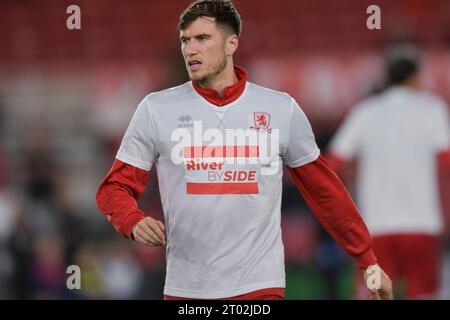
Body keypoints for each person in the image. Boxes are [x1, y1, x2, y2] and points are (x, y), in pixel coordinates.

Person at [96, 0, 392, 300]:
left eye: (202, 38)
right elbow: (113, 189)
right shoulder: (156, 109)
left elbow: (325, 191)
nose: (190, 49)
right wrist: (133, 221)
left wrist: (367, 260)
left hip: (259, 287)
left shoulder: (280, 110)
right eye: (185, 40)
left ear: (231, 43)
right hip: (187, 288)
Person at [327, 44, 450, 299]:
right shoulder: (432, 109)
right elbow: (446, 162)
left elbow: (332, 165)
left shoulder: (365, 112)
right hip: (422, 223)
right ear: (416, 77)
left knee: (373, 295)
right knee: (423, 293)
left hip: (375, 226)